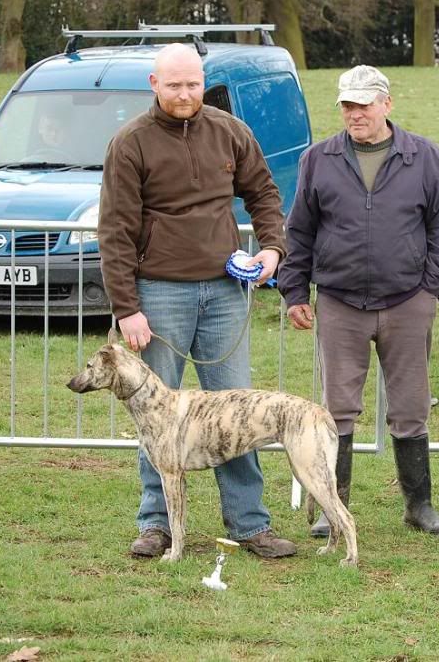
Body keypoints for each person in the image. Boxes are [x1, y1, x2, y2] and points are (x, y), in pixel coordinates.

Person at [98, 43, 294, 559]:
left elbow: (265, 195)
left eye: (193, 84)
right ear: (154, 84)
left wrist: (272, 246)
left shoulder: (231, 131)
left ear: (203, 82)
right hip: (157, 295)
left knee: (237, 412)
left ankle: (251, 523)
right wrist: (126, 308)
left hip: (226, 293)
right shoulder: (130, 143)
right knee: (154, 414)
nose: (185, 95)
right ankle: (155, 523)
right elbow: (115, 229)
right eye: (175, 85)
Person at [277, 65, 439, 538]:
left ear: (386, 104)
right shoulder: (318, 159)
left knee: (411, 405)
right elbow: (300, 230)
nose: (355, 113)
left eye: (363, 104)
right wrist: (295, 290)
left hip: (407, 301)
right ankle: (331, 508)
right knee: (337, 409)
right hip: (339, 301)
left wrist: (429, 288)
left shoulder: (426, 158)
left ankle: (419, 507)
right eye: (347, 105)